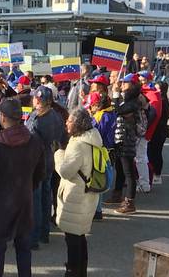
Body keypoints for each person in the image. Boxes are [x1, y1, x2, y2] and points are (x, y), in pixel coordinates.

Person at [0, 99, 46, 277]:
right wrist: (29, 187)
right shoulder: (34, 140)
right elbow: (40, 174)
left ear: (4, 118)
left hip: (0, 206)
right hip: (23, 202)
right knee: (24, 251)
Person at [55, 108, 102, 277]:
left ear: (78, 124)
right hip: (87, 195)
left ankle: (73, 272)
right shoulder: (93, 138)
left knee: (73, 239)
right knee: (80, 237)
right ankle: (81, 271)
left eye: (69, 121)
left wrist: (59, 153)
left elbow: (66, 172)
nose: (66, 123)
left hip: (76, 197)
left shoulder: (77, 145)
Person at [25, 86, 65, 250]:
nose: (33, 99)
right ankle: (44, 233)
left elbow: (29, 138)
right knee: (46, 196)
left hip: (36, 161)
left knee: (36, 199)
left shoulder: (38, 118)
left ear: (39, 100)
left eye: (35, 97)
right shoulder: (56, 116)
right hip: (49, 158)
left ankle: (33, 238)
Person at [104, 73, 141, 214]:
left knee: (129, 172)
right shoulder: (127, 99)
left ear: (132, 85)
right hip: (120, 139)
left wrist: (115, 94)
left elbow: (117, 110)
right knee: (120, 169)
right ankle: (117, 194)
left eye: (125, 82)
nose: (122, 84)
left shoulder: (134, 102)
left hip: (127, 140)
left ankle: (130, 203)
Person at [87, 92, 116, 220]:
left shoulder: (101, 116)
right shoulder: (112, 112)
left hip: (100, 151)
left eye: (92, 105)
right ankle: (97, 210)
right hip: (109, 150)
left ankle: (96, 211)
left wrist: (90, 119)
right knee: (103, 178)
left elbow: (95, 132)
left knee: (97, 179)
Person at [149, 81, 169, 185]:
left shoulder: (162, 101)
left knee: (156, 153)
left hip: (158, 131)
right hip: (159, 131)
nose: (155, 90)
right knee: (155, 152)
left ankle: (157, 174)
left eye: (157, 89)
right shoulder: (163, 100)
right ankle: (155, 173)